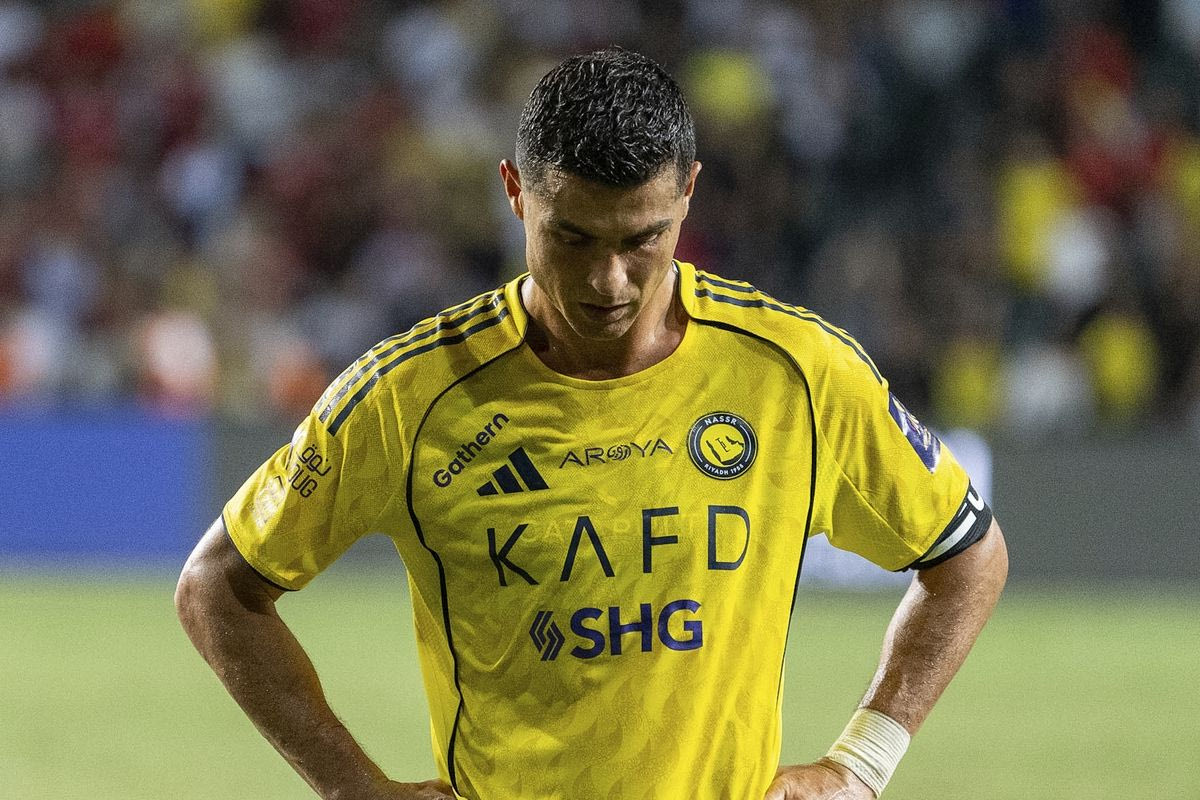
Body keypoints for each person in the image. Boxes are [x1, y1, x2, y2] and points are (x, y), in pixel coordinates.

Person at [176, 47, 1008, 800]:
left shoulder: (795, 373)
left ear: (689, 192)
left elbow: (968, 554)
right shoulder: (409, 397)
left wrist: (862, 763)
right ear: (515, 192)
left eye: (643, 239)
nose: (609, 281)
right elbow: (218, 589)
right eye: (571, 238)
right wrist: (354, 788)